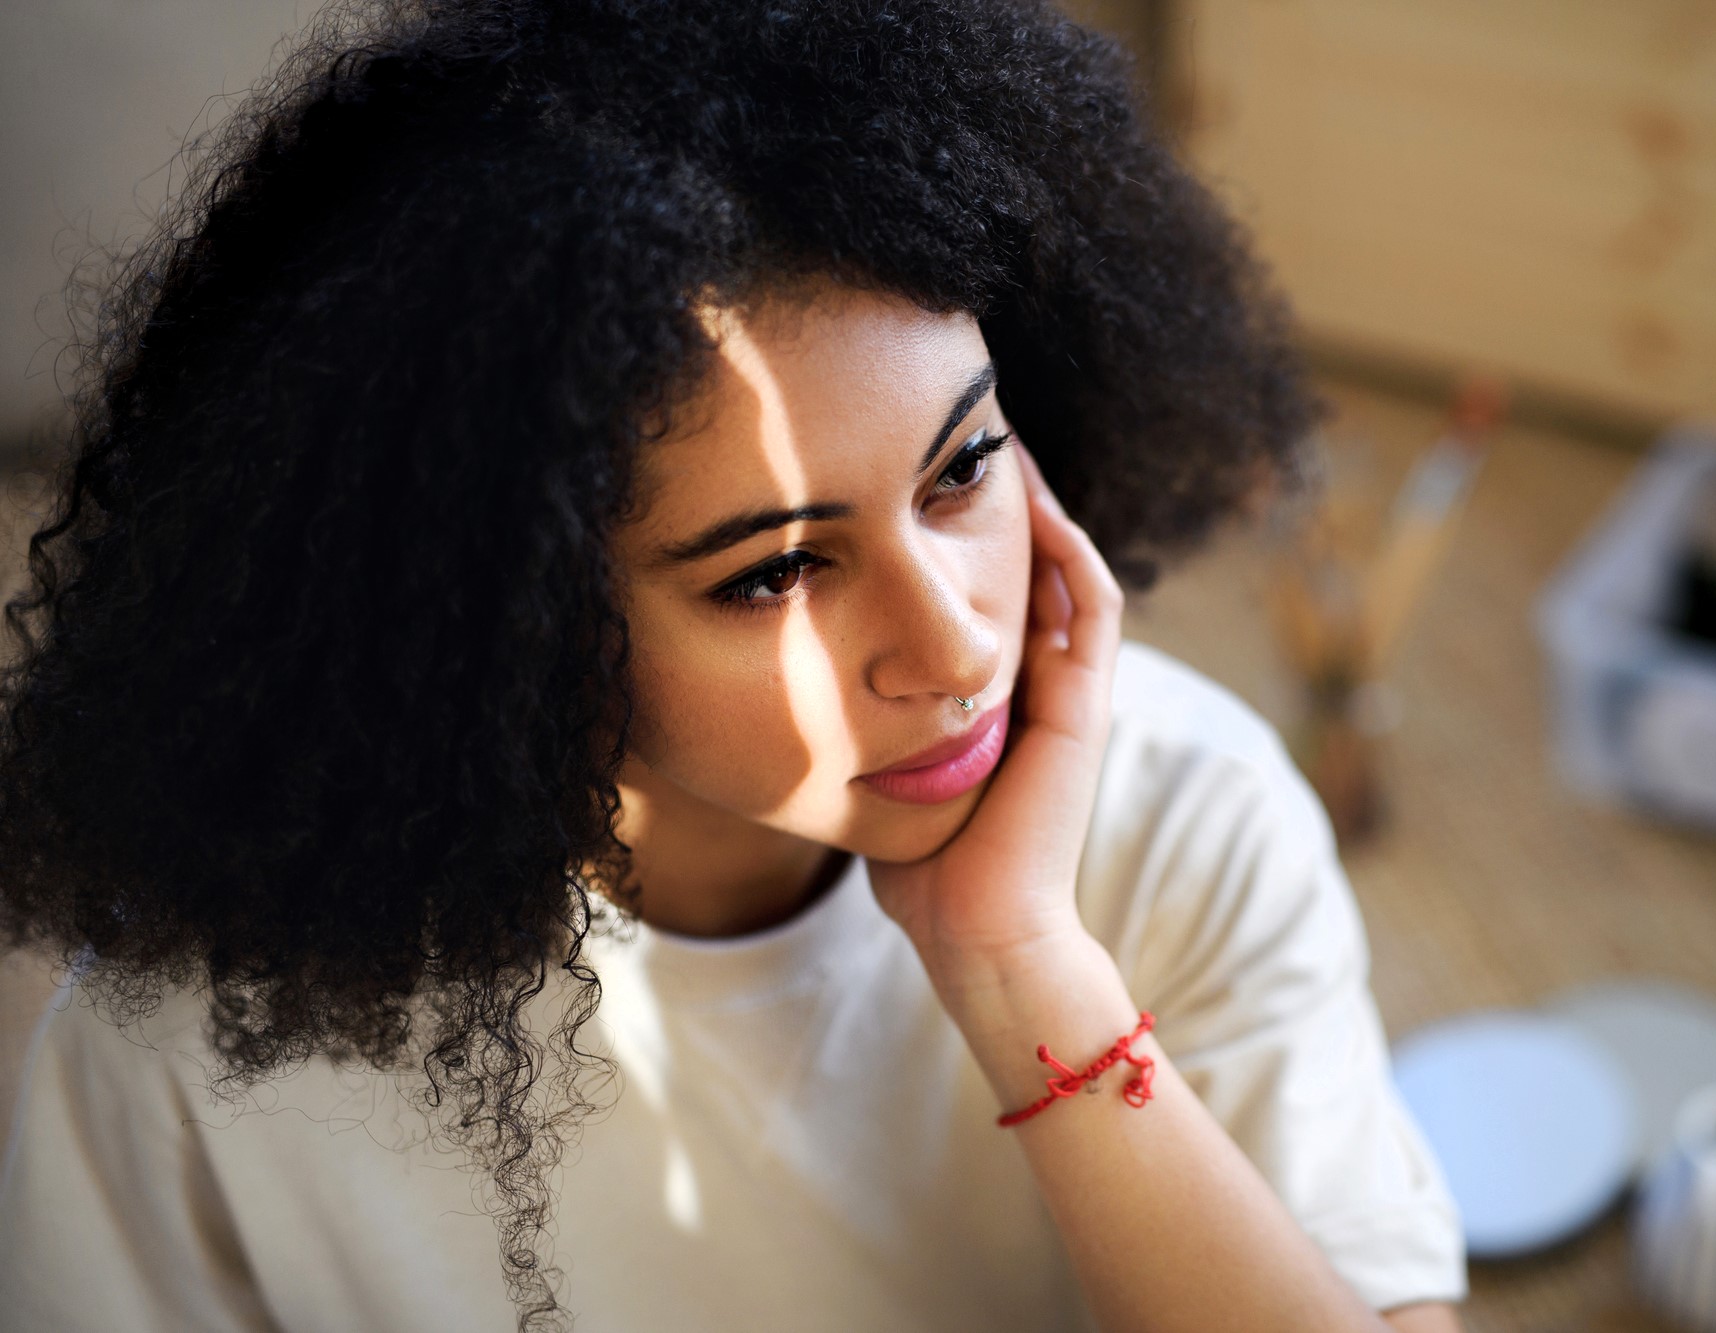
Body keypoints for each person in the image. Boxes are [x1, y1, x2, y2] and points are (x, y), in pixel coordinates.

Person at [0, 1, 1467, 1329]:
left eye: (960, 469)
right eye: (774, 569)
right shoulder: (196, 1037)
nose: (959, 640)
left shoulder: (1185, 809)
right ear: (500, 619)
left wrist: (1023, 968)